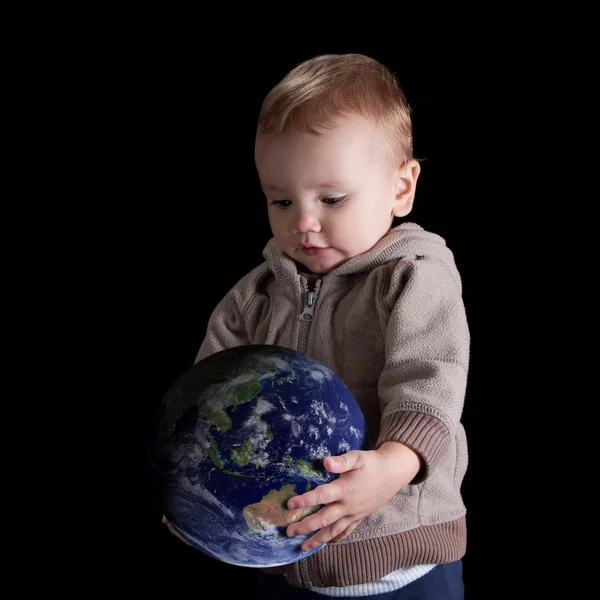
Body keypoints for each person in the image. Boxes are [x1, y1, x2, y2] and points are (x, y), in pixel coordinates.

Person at [163, 53, 470, 599]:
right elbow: (204, 404)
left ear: (401, 188)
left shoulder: (412, 278)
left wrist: (396, 466)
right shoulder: (253, 297)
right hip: (281, 558)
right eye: (281, 200)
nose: (304, 222)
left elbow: (430, 379)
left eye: (332, 199)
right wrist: (192, 496)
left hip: (398, 561)